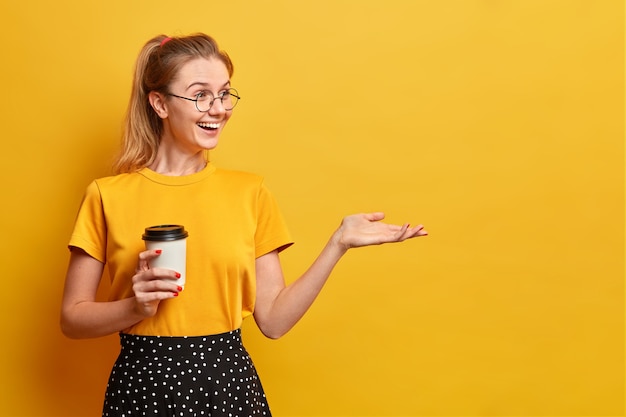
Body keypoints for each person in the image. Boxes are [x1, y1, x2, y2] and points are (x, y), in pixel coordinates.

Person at [60, 33, 428, 416]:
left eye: (224, 94)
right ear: (160, 104)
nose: (218, 108)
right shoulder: (107, 196)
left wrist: (338, 244)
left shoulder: (249, 193)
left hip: (228, 388)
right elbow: (72, 318)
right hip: (142, 388)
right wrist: (135, 306)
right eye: (201, 94)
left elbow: (273, 321)